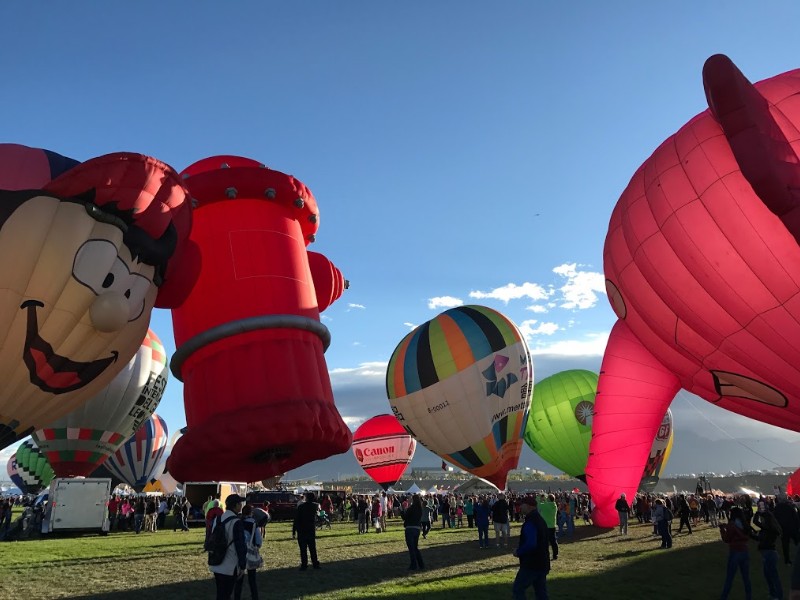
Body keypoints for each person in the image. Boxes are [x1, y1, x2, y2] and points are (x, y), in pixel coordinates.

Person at [209, 493, 247, 600]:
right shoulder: (236, 522)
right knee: (227, 594)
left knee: (220, 594)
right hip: (230, 565)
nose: (241, 505)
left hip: (217, 562)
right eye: (240, 503)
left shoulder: (218, 519)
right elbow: (240, 545)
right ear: (235, 505)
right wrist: (242, 565)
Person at [512, 499, 550, 600]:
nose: (520, 507)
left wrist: (518, 552)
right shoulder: (540, 520)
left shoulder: (531, 522)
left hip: (531, 563)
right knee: (541, 592)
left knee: (518, 589)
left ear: (530, 506)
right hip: (543, 561)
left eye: (522, 505)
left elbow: (531, 544)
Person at [719, 506, 752, 600]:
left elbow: (726, 539)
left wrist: (722, 530)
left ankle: (724, 597)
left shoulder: (732, 524)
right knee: (746, 577)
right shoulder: (745, 523)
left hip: (735, 551)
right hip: (744, 550)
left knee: (730, 577)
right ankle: (749, 596)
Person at [752, 502, 783, 600]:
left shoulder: (769, 528)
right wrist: (750, 533)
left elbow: (755, 521)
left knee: (773, 577)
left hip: (769, 554)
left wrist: (757, 513)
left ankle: (778, 596)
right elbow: (759, 539)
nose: (762, 520)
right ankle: (773, 594)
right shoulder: (767, 529)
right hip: (767, 553)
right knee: (768, 576)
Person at [293, 492, 321, 570]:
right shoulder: (315, 506)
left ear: (306, 498)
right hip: (311, 530)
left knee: (303, 549)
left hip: (302, 530)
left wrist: (294, 531)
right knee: (312, 548)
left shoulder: (301, 507)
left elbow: (296, 519)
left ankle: (304, 565)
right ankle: (315, 564)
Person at [242, 503, 263, 600]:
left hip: (240, 549)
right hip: (251, 549)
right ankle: (254, 595)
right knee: (252, 577)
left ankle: (237, 594)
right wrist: (258, 546)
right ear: (251, 513)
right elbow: (258, 540)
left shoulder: (239, 522)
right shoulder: (254, 523)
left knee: (239, 575)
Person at [403, 494, 425, 571]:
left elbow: (405, 517)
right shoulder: (420, 509)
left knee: (411, 548)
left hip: (410, 528)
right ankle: (421, 564)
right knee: (415, 547)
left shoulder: (411, 508)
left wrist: (404, 509)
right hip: (417, 528)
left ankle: (414, 565)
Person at [538, 494, 558, 560]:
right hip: (552, 525)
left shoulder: (545, 505)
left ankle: (546, 555)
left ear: (549, 499)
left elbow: (538, 504)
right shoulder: (554, 505)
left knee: (545, 542)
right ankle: (555, 555)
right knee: (553, 542)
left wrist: (540, 497)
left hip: (545, 526)